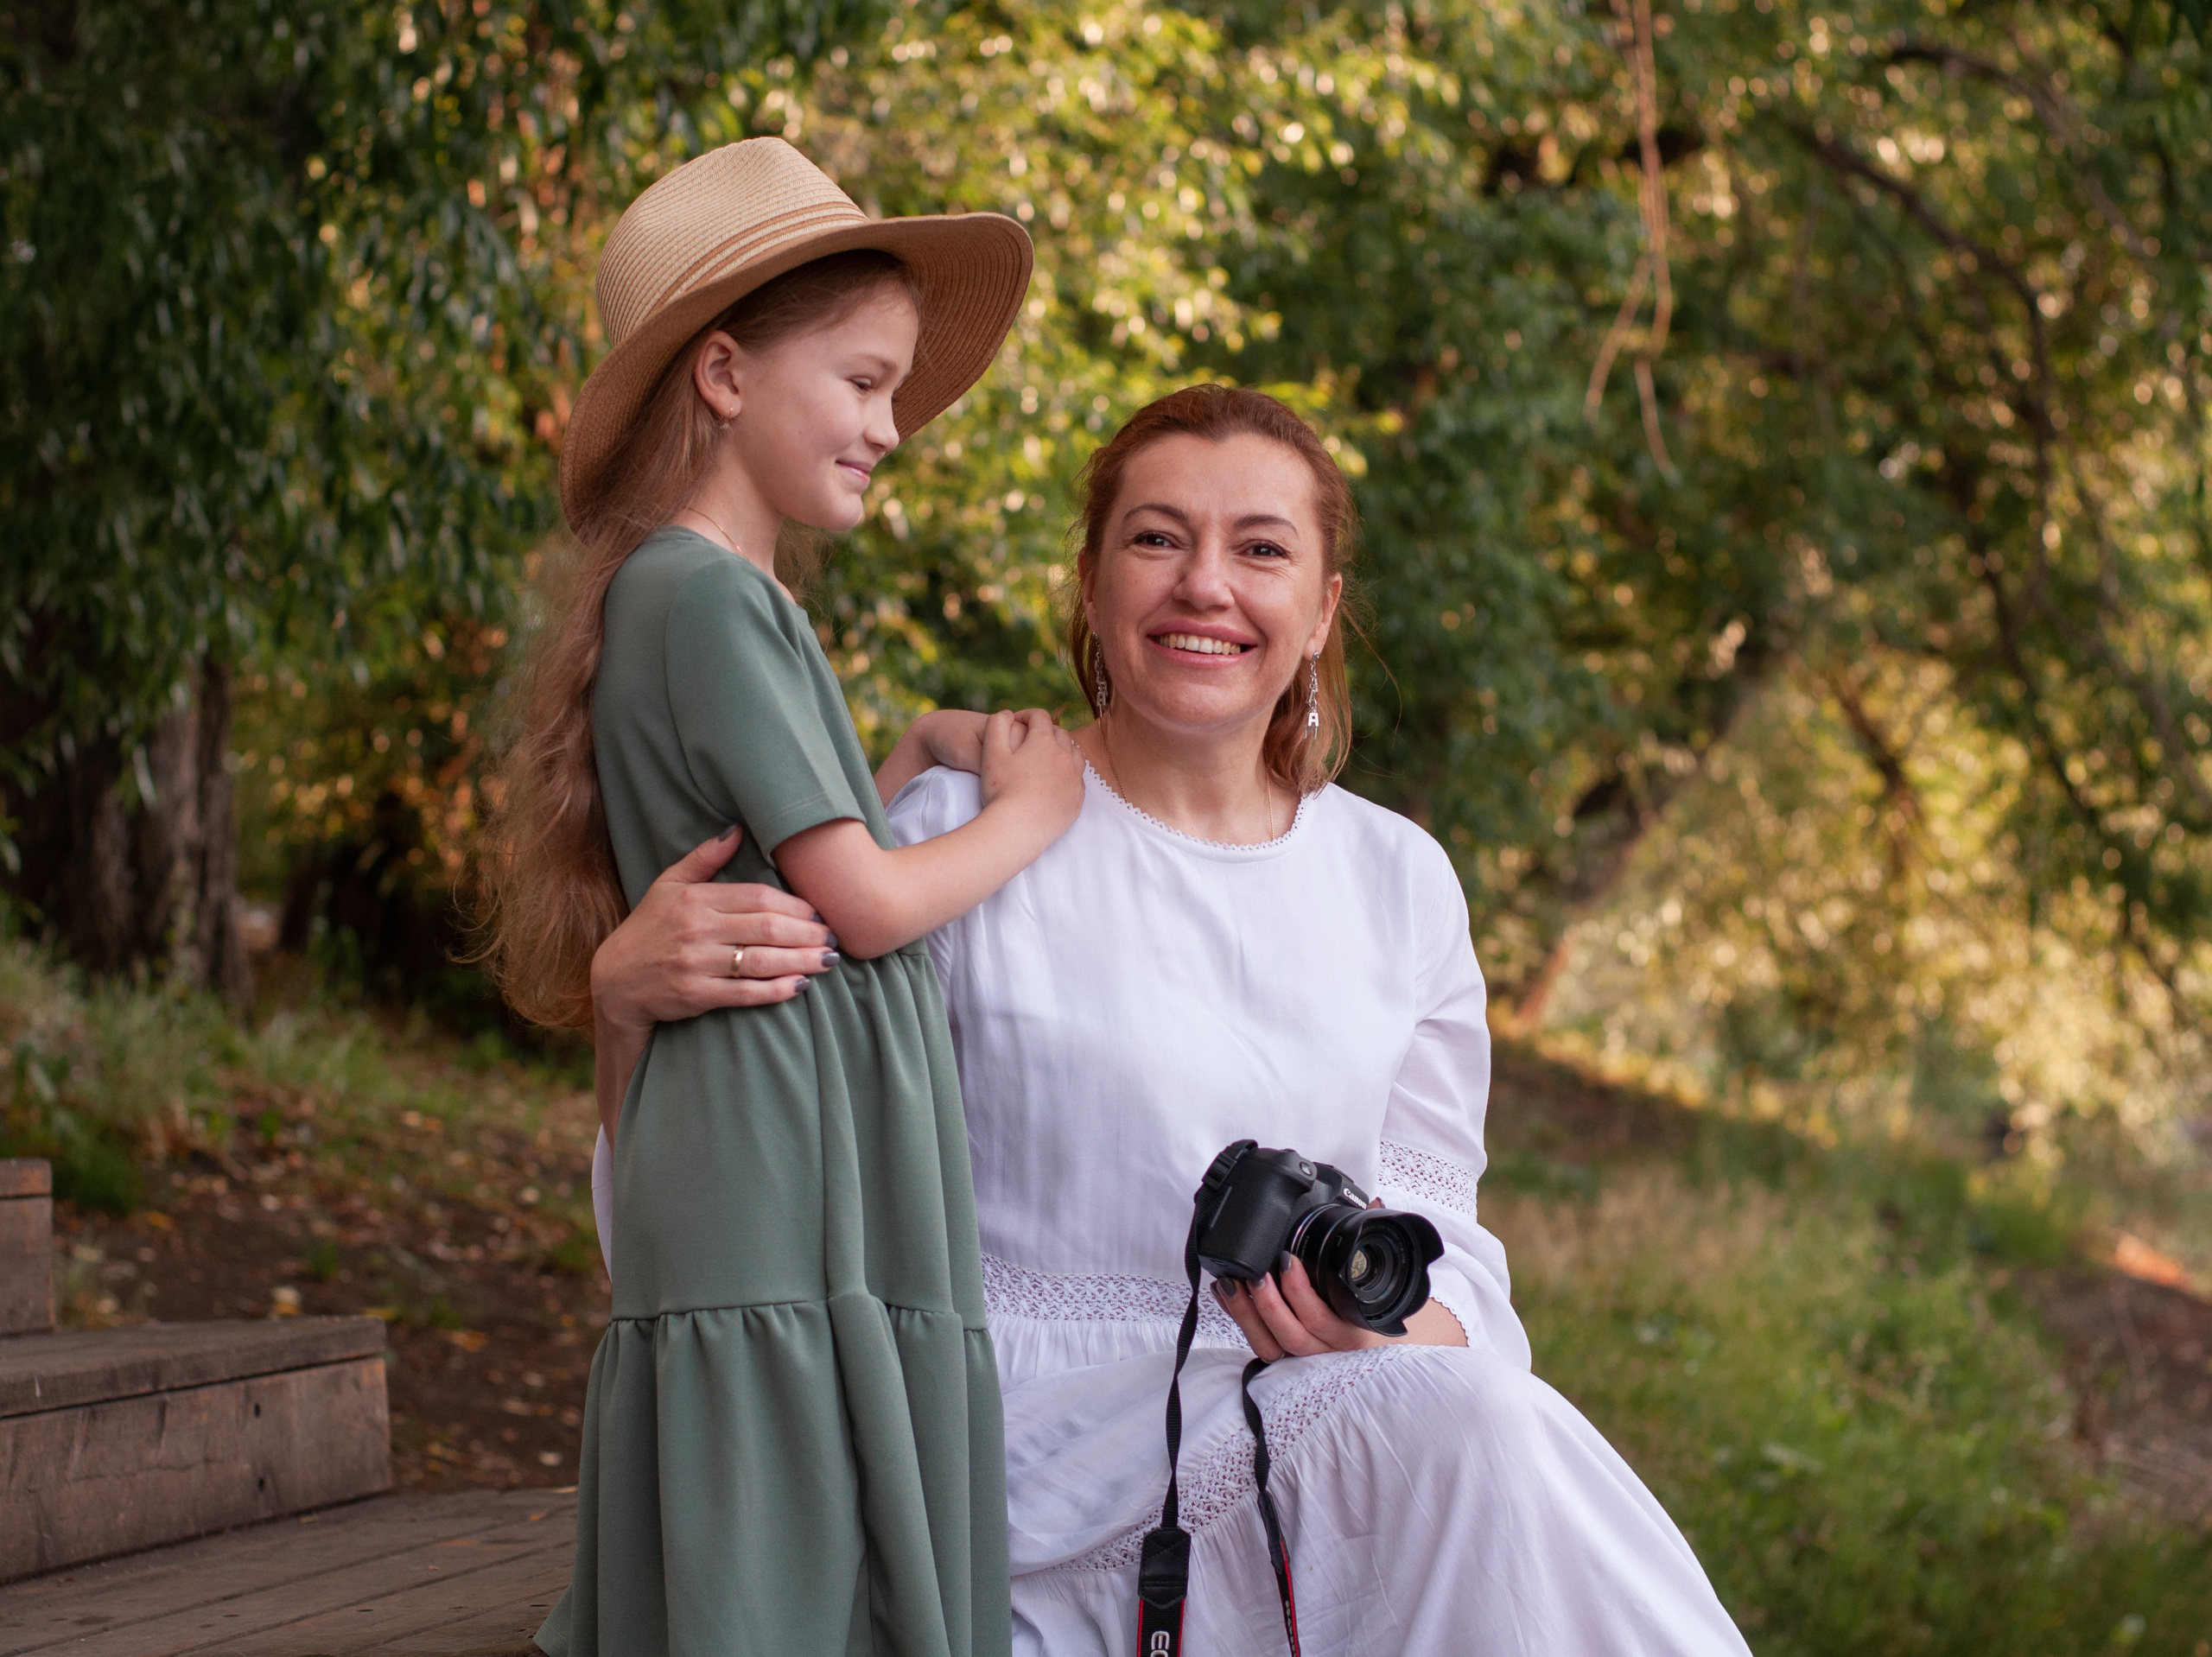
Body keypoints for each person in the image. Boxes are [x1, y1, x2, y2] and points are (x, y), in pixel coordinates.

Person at [589, 386, 1752, 1654]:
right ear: (1090, 587)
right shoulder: (956, 842)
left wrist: (1383, 1313)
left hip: (1300, 1421)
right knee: (1472, 1427)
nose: (1205, 584)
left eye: (1260, 548)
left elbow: (1446, 1239)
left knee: (1477, 1417)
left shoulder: (1400, 878)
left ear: (1318, 613)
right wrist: (625, 1005)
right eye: (1156, 539)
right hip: (1009, 1456)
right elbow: (741, 1181)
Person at [478, 137, 1088, 1657]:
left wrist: (914, 746)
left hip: (777, 1120)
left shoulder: (705, 596)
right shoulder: (707, 595)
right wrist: (1032, 807)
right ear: (729, 374)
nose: (893, 425)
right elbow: (867, 905)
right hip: (768, 1145)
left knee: (798, 1513)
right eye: (868, 382)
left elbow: (787, 857)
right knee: (787, 1537)